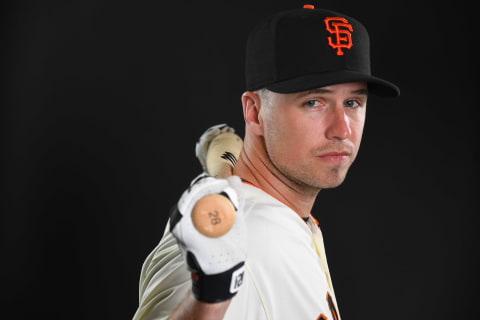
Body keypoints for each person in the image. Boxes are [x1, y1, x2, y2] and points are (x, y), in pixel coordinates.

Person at [133, 5, 399, 320]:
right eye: (314, 102)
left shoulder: (286, 219)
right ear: (254, 113)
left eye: (353, 102)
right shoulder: (234, 241)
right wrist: (211, 296)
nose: (342, 129)